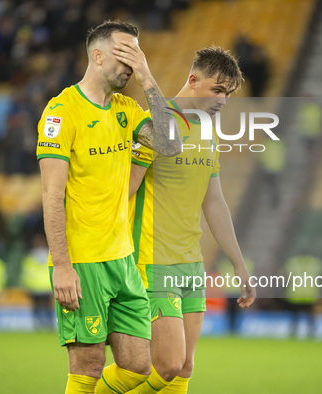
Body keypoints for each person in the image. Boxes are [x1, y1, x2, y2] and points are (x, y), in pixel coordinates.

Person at [36, 20, 181, 393]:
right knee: (88, 366)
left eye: (137, 56)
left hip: (123, 260)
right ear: (97, 56)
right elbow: (52, 195)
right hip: (82, 262)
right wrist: (62, 266)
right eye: (125, 55)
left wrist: (149, 79)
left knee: (135, 367)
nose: (132, 65)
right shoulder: (61, 111)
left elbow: (171, 145)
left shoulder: (128, 109)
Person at [127, 47, 256, 393]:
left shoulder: (207, 131)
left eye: (228, 94)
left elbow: (214, 203)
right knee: (166, 364)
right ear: (193, 80)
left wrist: (239, 264)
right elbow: (126, 189)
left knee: (183, 367)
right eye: (218, 90)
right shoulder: (155, 120)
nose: (223, 100)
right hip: (153, 258)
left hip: (191, 262)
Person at [21, 234, 53, 330]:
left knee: (37, 307)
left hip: (35, 286)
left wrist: (26, 285)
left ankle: (37, 325)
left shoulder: (30, 257)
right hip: (46, 285)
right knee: (47, 307)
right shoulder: (50, 255)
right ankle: (48, 325)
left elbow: (27, 272)